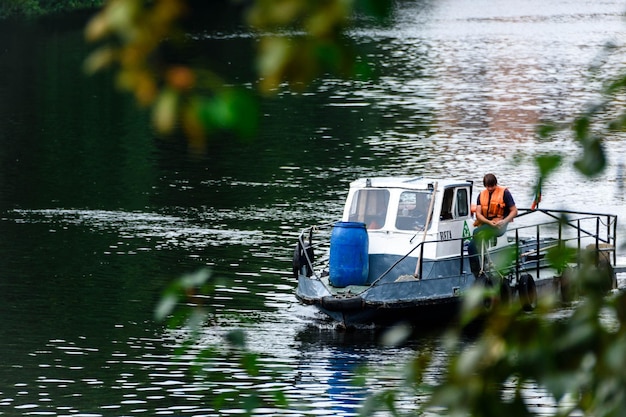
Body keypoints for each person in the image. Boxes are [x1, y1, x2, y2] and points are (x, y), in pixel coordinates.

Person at [468, 173, 518, 277]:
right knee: (472, 241)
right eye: (488, 186)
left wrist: (505, 221)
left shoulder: (505, 193)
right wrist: (489, 222)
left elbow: (514, 211)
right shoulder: (481, 195)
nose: (490, 188)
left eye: (492, 186)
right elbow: (478, 214)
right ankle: (478, 268)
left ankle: (481, 267)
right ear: (485, 186)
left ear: (496, 184)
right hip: (488, 223)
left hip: (500, 225)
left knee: (476, 234)